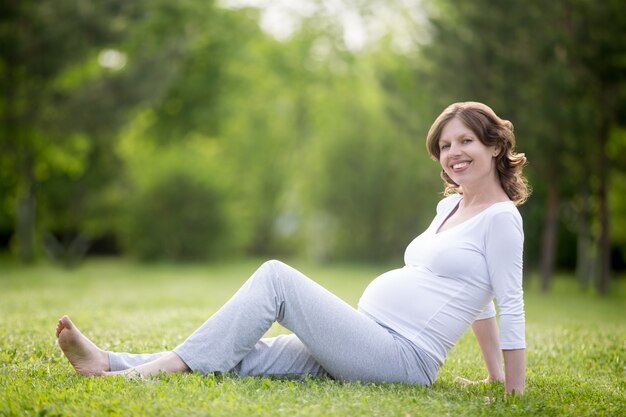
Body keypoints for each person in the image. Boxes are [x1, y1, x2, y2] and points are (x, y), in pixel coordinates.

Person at [56, 101, 529, 395]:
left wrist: (512, 388)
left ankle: (148, 374)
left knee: (276, 277)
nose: (453, 153)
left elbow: (507, 302)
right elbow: (476, 300)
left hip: (401, 358)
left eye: (465, 140)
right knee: (247, 352)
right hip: (365, 336)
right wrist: (489, 375)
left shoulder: (502, 219)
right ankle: (108, 363)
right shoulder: (449, 208)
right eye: (445, 145)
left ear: (494, 146)